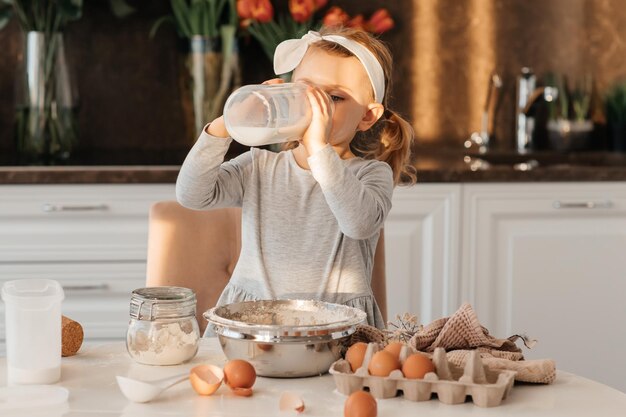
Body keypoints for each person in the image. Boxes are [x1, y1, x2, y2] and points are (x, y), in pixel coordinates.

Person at [176, 26, 416, 330]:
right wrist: (227, 123)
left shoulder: (370, 174)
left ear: (367, 116)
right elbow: (192, 194)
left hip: (335, 330)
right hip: (254, 325)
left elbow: (358, 222)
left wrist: (319, 148)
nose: (315, 107)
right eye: (305, 91)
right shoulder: (259, 166)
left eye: (334, 97)